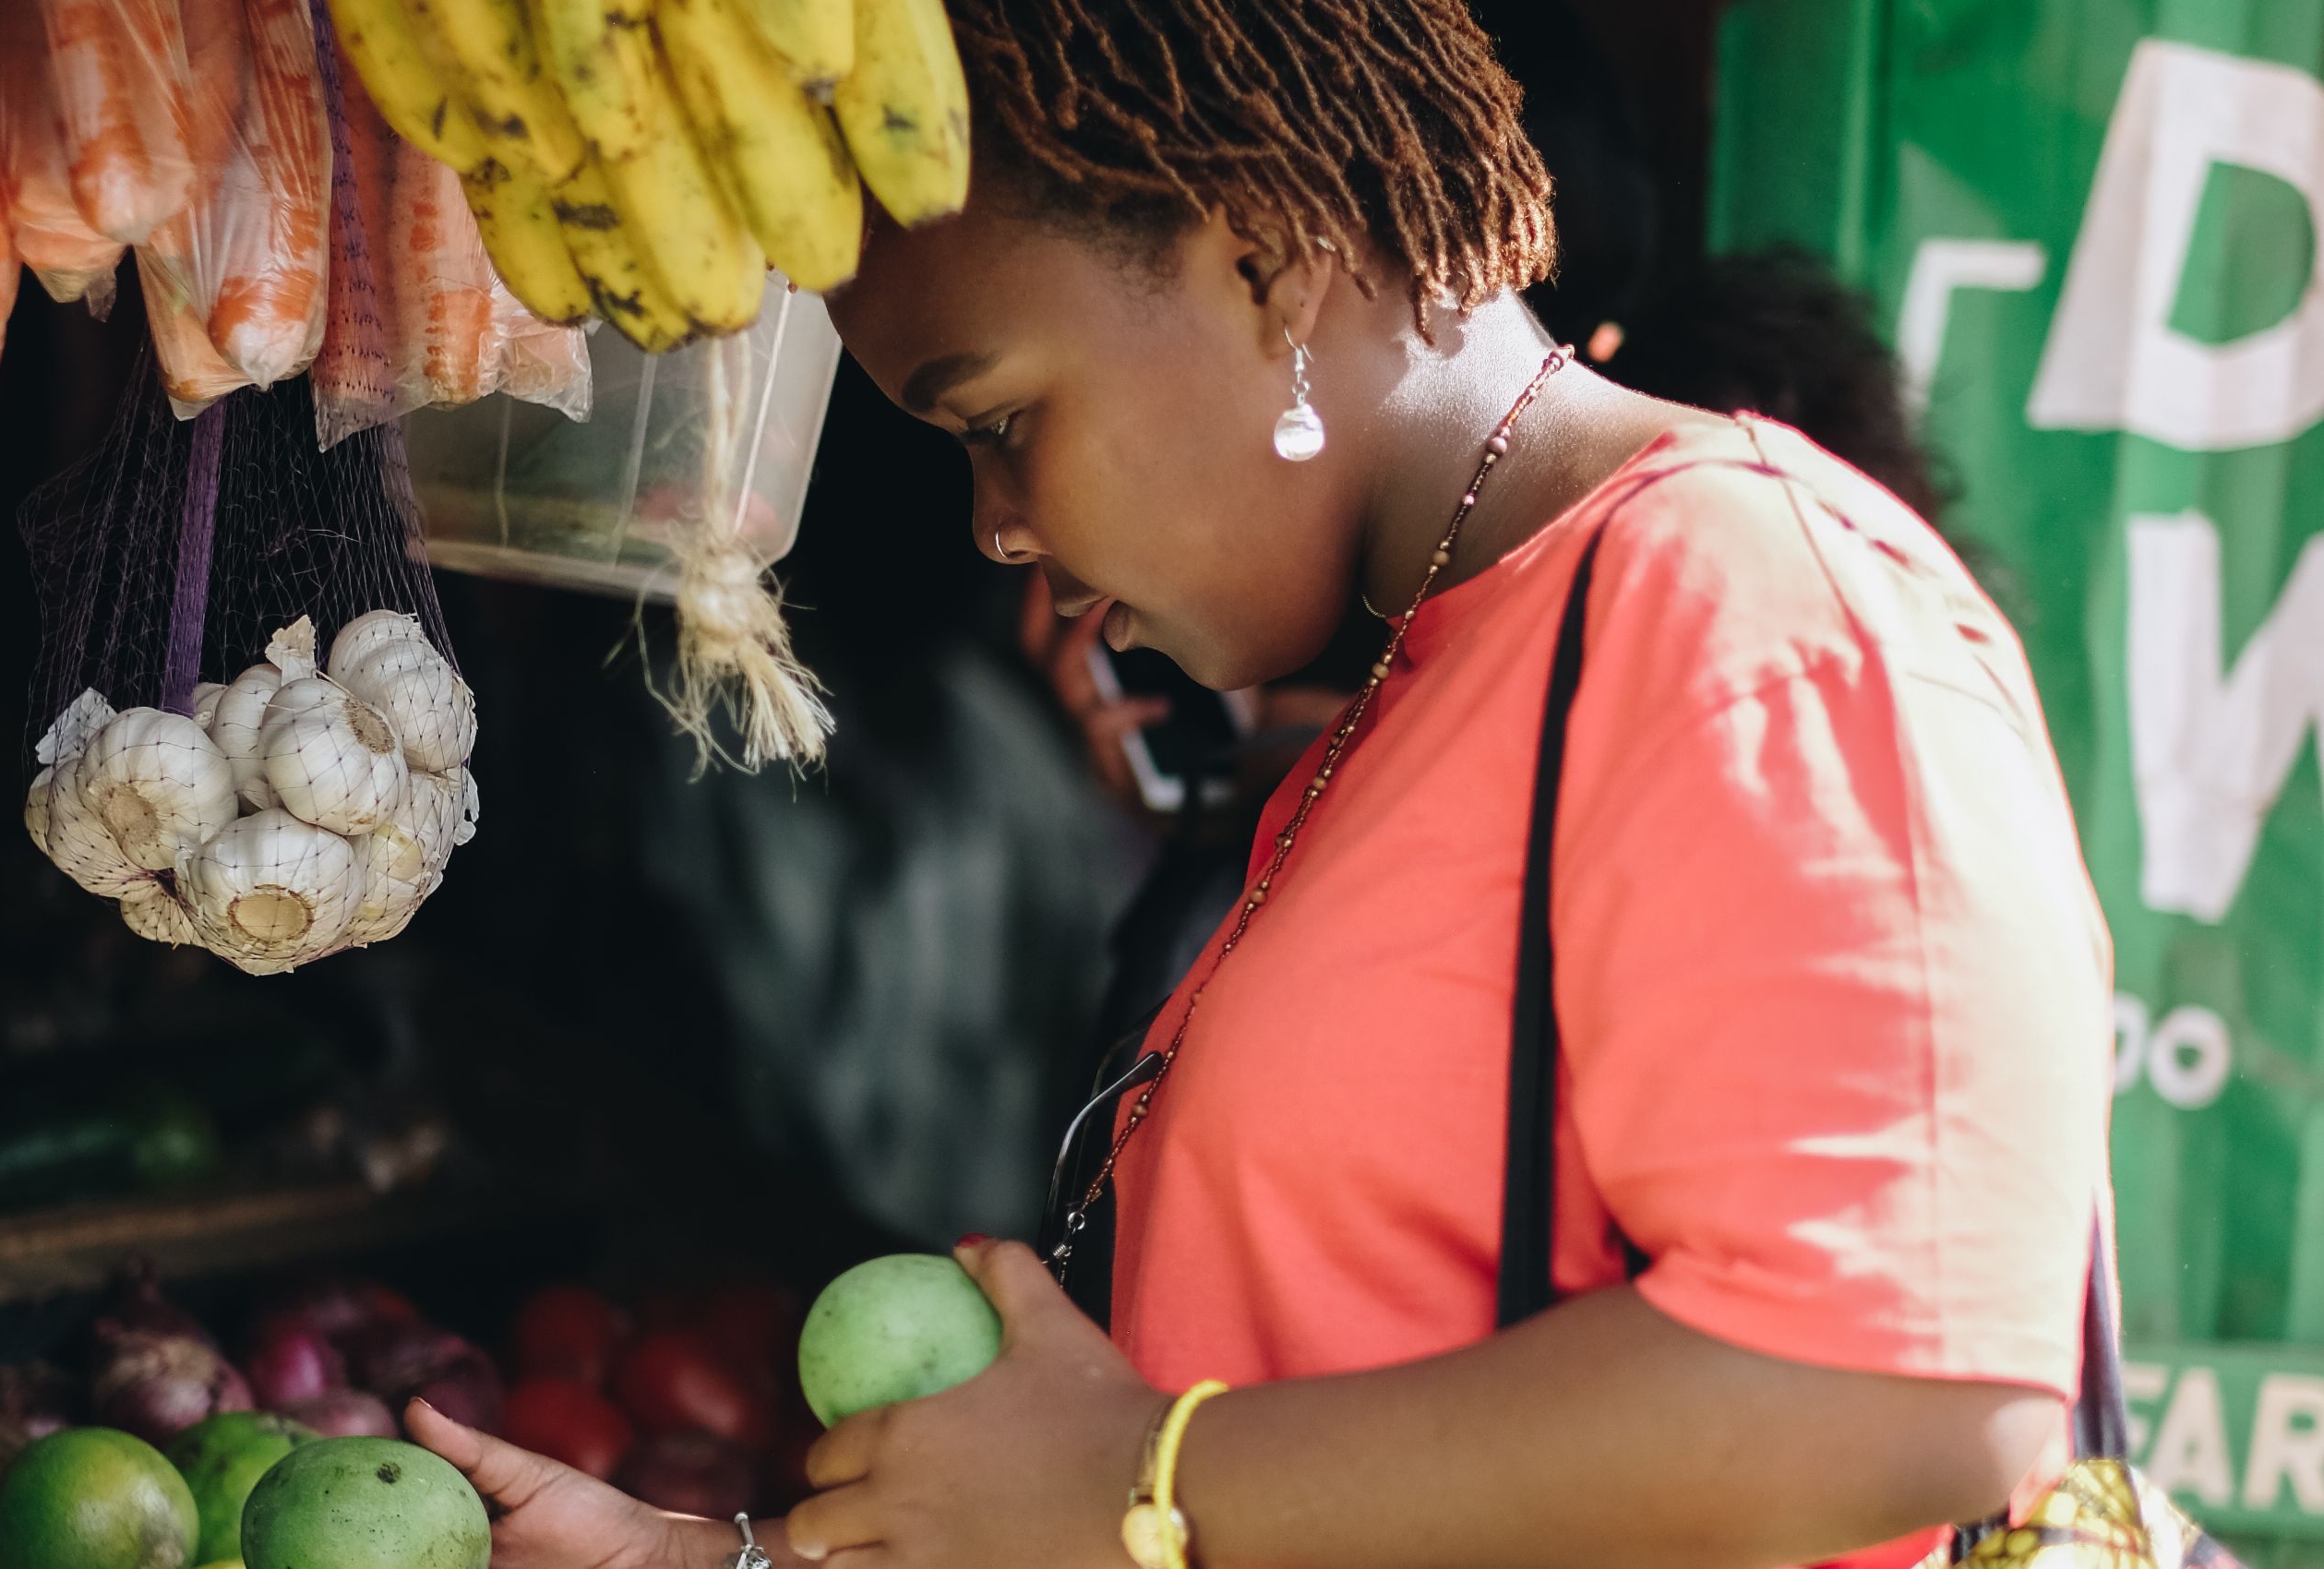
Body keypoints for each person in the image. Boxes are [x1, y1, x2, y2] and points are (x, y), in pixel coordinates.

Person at [406, 3, 2114, 1567]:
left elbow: (1905, 1391)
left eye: (997, 418)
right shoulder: (1427, 682)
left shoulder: (1747, 600)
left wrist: (1144, 1473)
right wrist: (729, 1562)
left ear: (1268, 264)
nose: (995, 524)